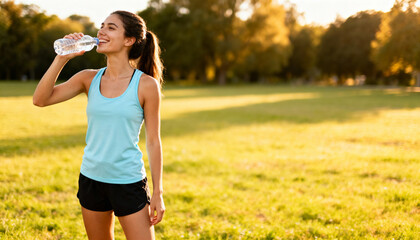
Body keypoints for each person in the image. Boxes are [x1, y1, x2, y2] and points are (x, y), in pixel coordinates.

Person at [33, 10, 165, 240]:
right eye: (102, 25)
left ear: (129, 40)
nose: (101, 31)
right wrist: (62, 58)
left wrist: (157, 191)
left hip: (128, 182)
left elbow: (153, 141)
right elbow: (40, 100)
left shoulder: (146, 85)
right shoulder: (88, 78)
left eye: (111, 27)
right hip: (91, 179)